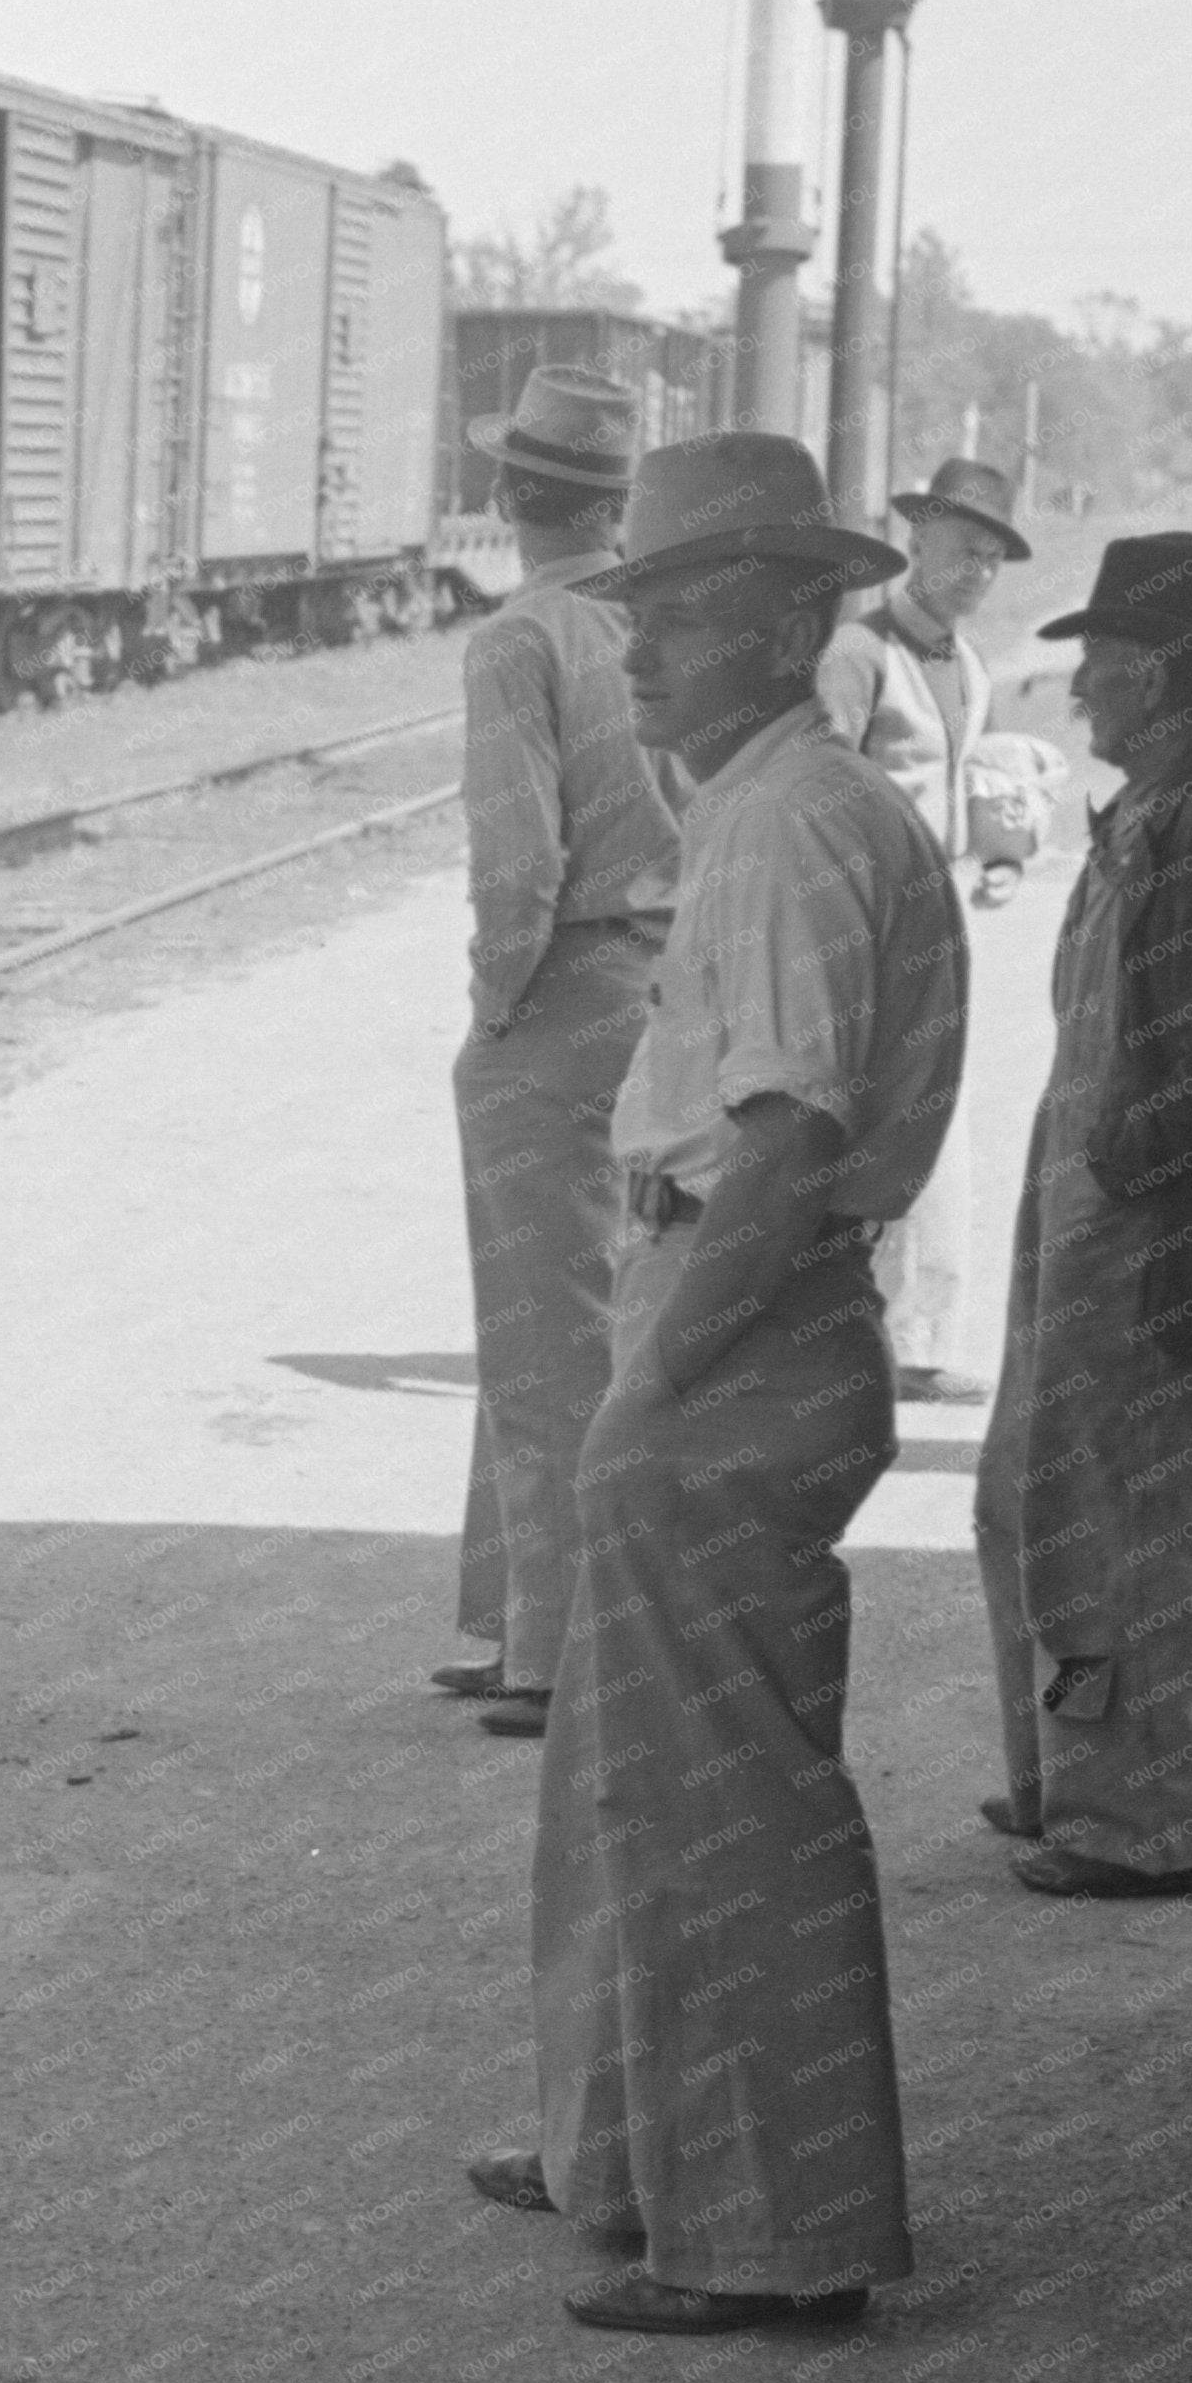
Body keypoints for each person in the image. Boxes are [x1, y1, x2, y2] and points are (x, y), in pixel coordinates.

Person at [467, 432, 966, 2336]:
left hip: (735, 1329)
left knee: (727, 1810)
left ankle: (766, 2238)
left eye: (674, 620)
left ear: (778, 624)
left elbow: (779, 1145)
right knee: (637, 1772)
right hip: (726, 1306)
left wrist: (651, 1379)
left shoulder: (782, 825)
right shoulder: (772, 799)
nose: (639, 656)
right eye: (634, 618)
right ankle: (629, 2154)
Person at [973, 534, 1192, 1898]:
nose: (1078, 696)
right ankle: (1071, 1780)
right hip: (1078, 1210)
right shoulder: (1156, 810)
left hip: (1139, 1233)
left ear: (1167, 677)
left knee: (1126, 1524)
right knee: (1039, 1504)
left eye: (1101, 667)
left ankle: (1156, 1822)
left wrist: (1120, 1166)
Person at [435, 367, 677, 1741]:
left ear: (508, 496)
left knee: (538, 1329)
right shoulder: (650, 623)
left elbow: (515, 863)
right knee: (587, 1310)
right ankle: (515, 1613)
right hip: (659, 986)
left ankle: (557, 1645)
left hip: (563, 984)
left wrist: (493, 1004)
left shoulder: (516, 641)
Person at [815, 456, 1032, 1408]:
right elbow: (816, 790)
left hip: (941, 912)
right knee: (858, 1113)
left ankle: (914, 1337)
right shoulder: (859, 654)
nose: (975, 571)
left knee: (936, 1117)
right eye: (959, 550)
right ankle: (856, 1334)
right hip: (864, 916)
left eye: (990, 557)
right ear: (916, 545)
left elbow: (968, 780)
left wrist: (999, 854)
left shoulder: (973, 664)